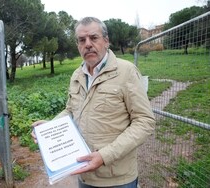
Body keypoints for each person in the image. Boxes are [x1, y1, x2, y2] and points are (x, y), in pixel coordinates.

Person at [31, 17, 155, 188]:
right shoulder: (77, 75)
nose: (87, 44)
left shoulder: (126, 72)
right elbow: (71, 111)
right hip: (84, 175)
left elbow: (145, 122)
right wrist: (50, 129)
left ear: (106, 41)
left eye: (93, 38)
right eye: (82, 40)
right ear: (78, 46)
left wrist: (104, 156)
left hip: (117, 179)